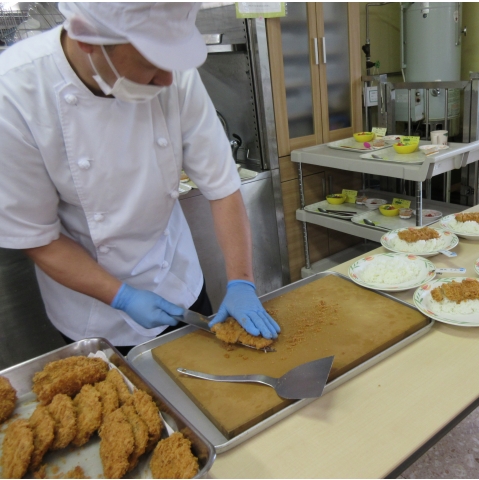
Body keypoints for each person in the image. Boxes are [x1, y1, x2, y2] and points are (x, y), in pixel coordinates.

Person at [0, 2, 280, 354]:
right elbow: (39, 238)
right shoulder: (13, 92)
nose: (168, 80)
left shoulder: (173, 71)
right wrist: (122, 297)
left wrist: (242, 281)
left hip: (178, 282)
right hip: (93, 311)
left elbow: (222, 185)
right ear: (88, 40)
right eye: (150, 63)